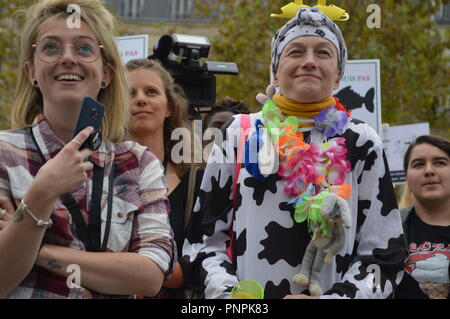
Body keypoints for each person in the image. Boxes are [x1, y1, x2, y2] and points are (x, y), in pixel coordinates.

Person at [182, 7, 406, 299]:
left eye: (323, 53)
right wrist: (232, 297)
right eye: (296, 52)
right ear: (275, 71)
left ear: (338, 75)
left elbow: (384, 254)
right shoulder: (239, 132)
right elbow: (202, 242)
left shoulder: (361, 140)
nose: (309, 61)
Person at [0, 0, 175, 299]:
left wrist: (36, 249)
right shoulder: (4, 153)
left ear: (106, 74)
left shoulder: (138, 162)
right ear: (31, 71)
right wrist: (41, 193)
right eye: (51, 48)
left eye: (84, 49)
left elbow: (149, 276)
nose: (67, 58)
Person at [125, 58, 204, 298]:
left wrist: (139, 268)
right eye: (129, 93)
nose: (140, 99)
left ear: (169, 107)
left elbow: (203, 262)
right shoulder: (95, 174)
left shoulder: (198, 179)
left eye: (151, 91)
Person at [395, 135, 450, 299]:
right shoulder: (386, 231)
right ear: (406, 176)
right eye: (418, 164)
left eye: (440, 162)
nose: (429, 171)